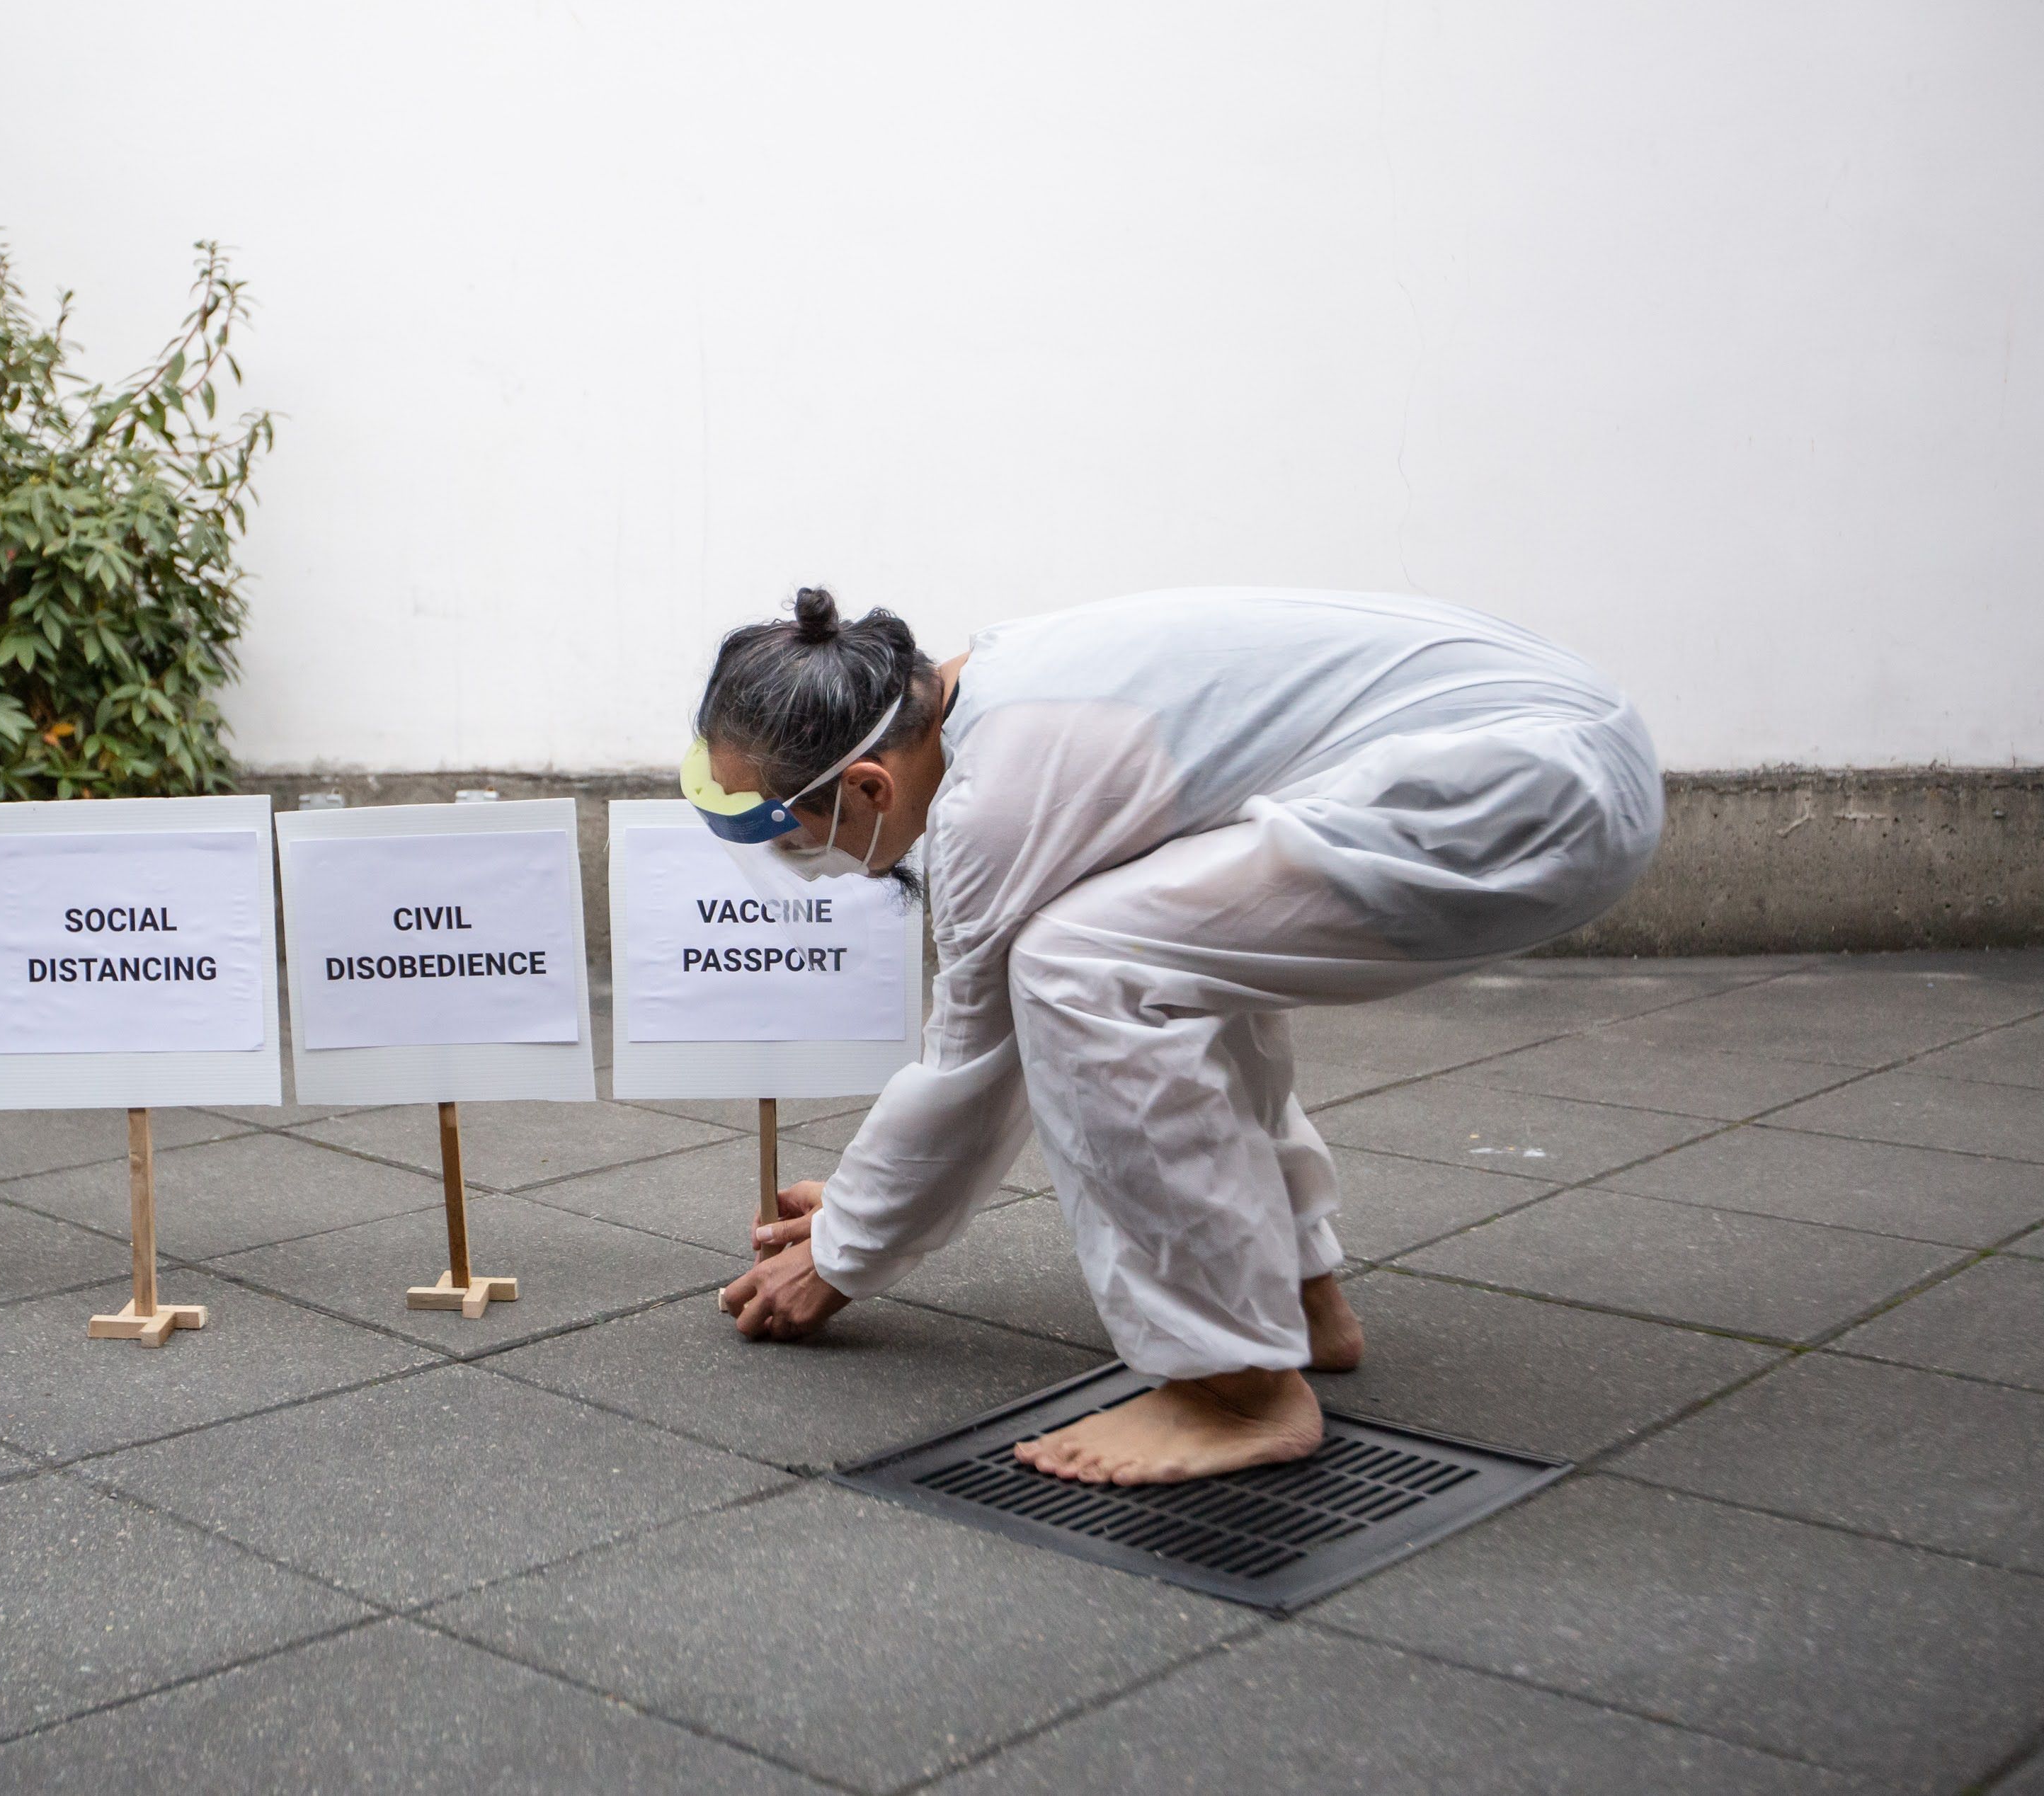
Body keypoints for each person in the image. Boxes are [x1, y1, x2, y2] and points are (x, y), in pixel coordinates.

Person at [695, 585, 1660, 1485]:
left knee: (1079, 968)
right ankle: (1299, 1299)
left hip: (1525, 793)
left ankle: (1235, 1390)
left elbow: (974, 1066)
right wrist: (865, 1212)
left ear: (868, 787)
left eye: (789, 835)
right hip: (1555, 749)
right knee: (1149, 946)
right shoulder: (995, 686)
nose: (800, 862)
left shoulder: (995, 795)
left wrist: (845, 1249)